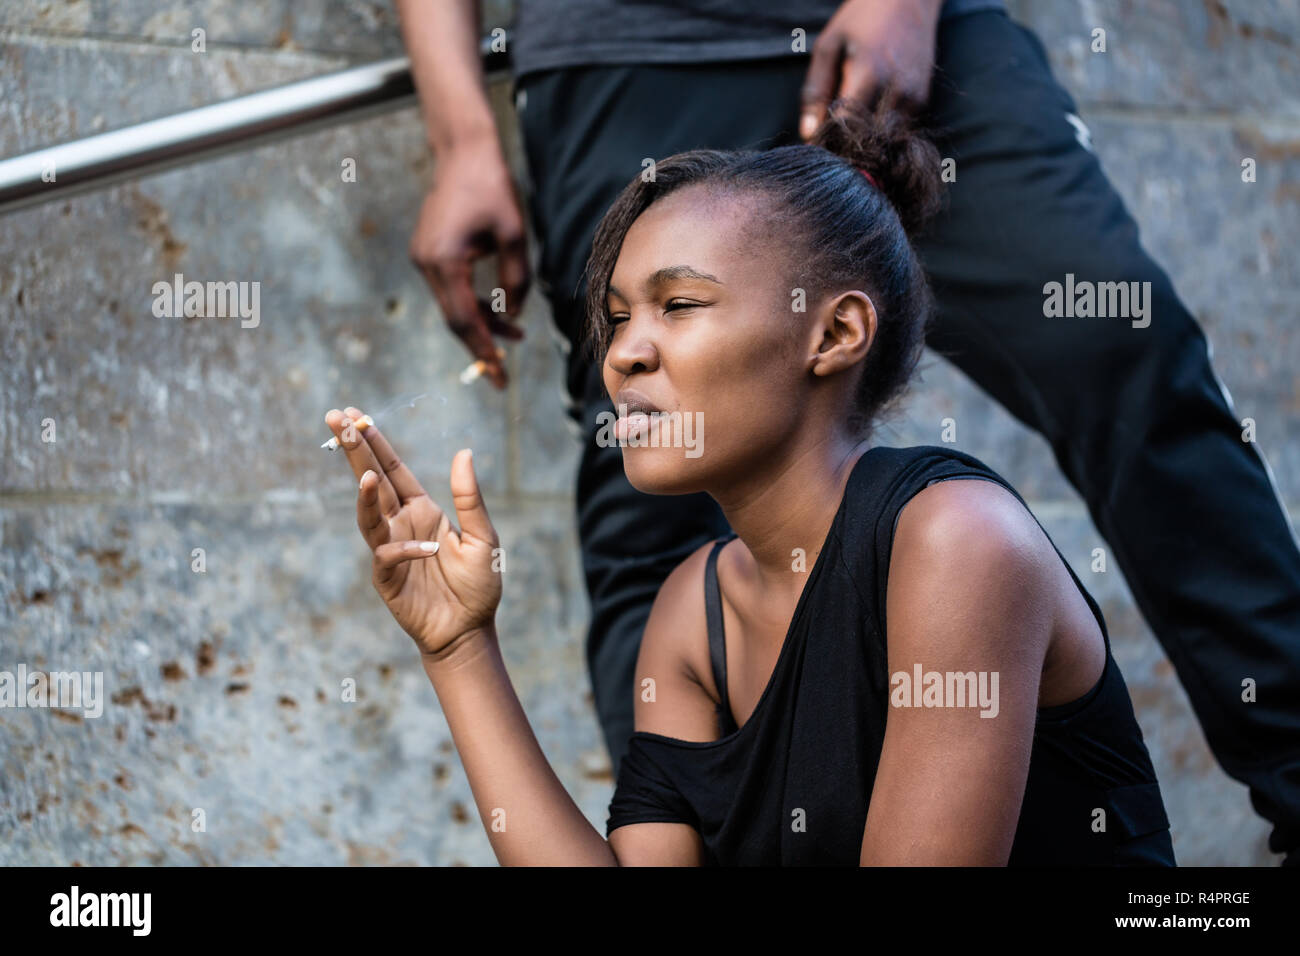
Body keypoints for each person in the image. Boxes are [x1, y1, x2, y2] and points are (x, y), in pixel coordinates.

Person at [394, 0, 1300, 862]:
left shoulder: (959, 542)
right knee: (644, 542)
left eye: (676, 305)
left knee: (1115, 335)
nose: (620, 354)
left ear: (835, 333)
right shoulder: (688, 615)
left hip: (899, 28)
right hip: (623, 40)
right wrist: (460, 648)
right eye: (617, 316)